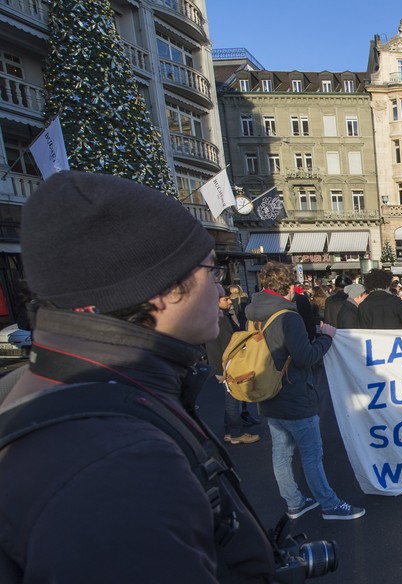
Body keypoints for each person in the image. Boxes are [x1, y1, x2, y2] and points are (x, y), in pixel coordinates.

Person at [0, 171, 275, 581]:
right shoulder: (119, 463)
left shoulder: (47, 389)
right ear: (160, 286)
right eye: (211, 270)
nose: (221, 291)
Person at [247, 261, 365, 520]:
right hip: (295, 395)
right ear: (290, 287)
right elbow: (305, 356)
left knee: (281, 453)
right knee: (312, 454)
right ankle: (330, 504)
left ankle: (294, 502)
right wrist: (327, 337)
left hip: (269, 393)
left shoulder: (254, 314)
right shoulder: (288, 316)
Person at [203, 287, 260, 444]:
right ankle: (236, 433)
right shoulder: (219, 318)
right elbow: (227, 345)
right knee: (233, 399)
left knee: (232, 398)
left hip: (222, 364)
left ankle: (230, 430)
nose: (230, 301)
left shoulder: (216, 316)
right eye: (225, 299)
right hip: (226, 365)